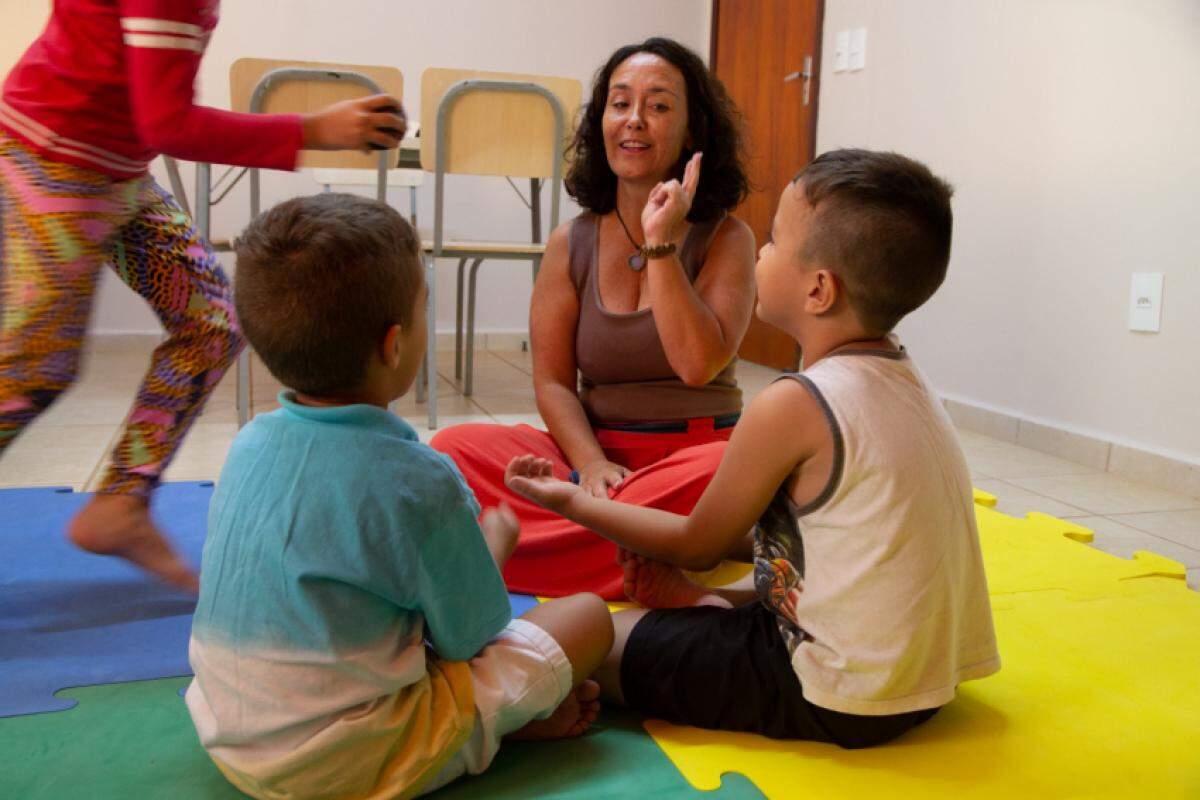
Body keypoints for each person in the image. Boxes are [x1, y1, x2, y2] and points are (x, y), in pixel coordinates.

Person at [506, 149, 1001, 748]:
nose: (760, 252)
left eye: (772, 240)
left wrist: (569, 501)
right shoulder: (901, 372)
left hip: (831, 690)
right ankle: (711, 607)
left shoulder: (796, 401)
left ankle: (472, 708)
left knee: (587, 632)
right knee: (676, 603)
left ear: (818, 289)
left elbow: (699, 543)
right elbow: (827, 545)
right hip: (920, 680)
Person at [185, 194, 614, 799]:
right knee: (588, 617)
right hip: (353, 758)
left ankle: (493, 723)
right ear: (394, 345)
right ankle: (487, 733)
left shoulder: (247, 443)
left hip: (228, 733)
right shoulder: (419, 479)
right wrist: (495, 542)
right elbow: (469, 638)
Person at [0, 0, 406, 590]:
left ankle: (121, 503)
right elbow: (168, 125)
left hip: (116, 168)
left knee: (213, 323)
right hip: (52, 158)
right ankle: (122, 502)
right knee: (35, 367)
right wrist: (313, 129)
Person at [431, 37, 756, 600]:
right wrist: (590, 466)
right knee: (452, 450)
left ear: (692, 132)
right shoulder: (570, 241)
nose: (634, 120)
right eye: (619, 102)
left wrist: (661, 247)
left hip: (693, 465)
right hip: (595, 463)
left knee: (735, 472)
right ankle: (646, 552)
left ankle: (521, 548)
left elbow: (698, 364)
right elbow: (554, 382)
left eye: (658, 106)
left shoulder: (728, 238)